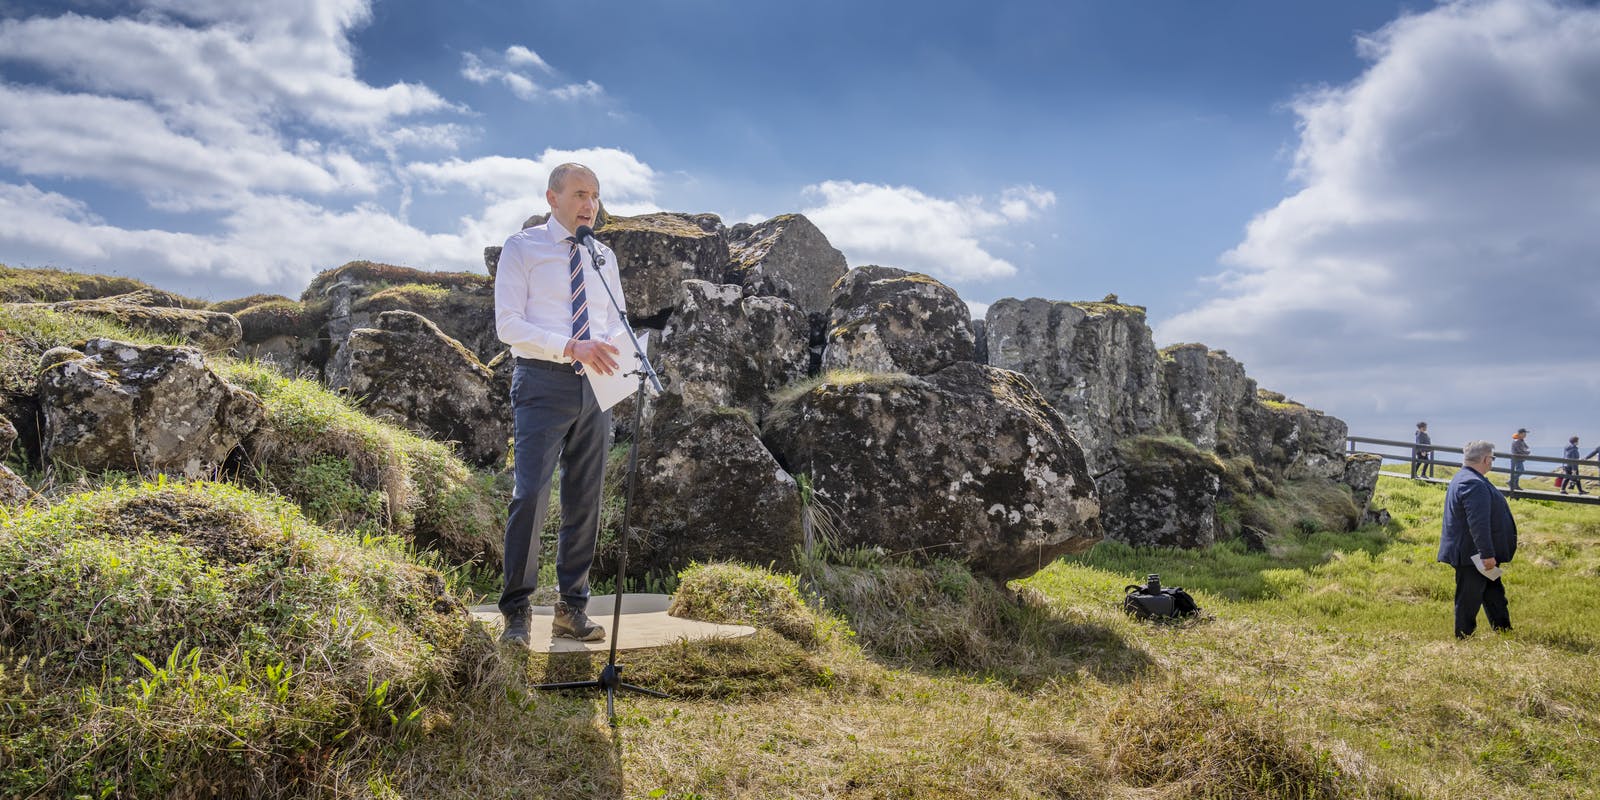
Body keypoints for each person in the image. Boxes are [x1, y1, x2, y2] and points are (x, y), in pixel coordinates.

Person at [493, 163, 625, 646]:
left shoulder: (604, 256)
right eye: (580, 194)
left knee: (585, 498)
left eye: (595, 196)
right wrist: (571, 346)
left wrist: (610, 346)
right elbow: (508, 325)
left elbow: (613, 319)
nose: (590, 205)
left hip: (596, 385)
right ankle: (516, 613)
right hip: (542, 381)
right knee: (530, 495)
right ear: (553, 198)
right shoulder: (522, 248)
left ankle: (572, 608)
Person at [1437, 440, 1517, 638]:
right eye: (1492, 458)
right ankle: (1463, 638)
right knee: (1469, 599)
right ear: (1485, 459)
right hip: (1474, 555)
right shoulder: (1473, 482)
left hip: (1476, 554)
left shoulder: (1466, 477)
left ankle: (1504, 632)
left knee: (1494, 593)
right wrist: (1487, 554)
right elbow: (1478, 523)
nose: (1492, 462)